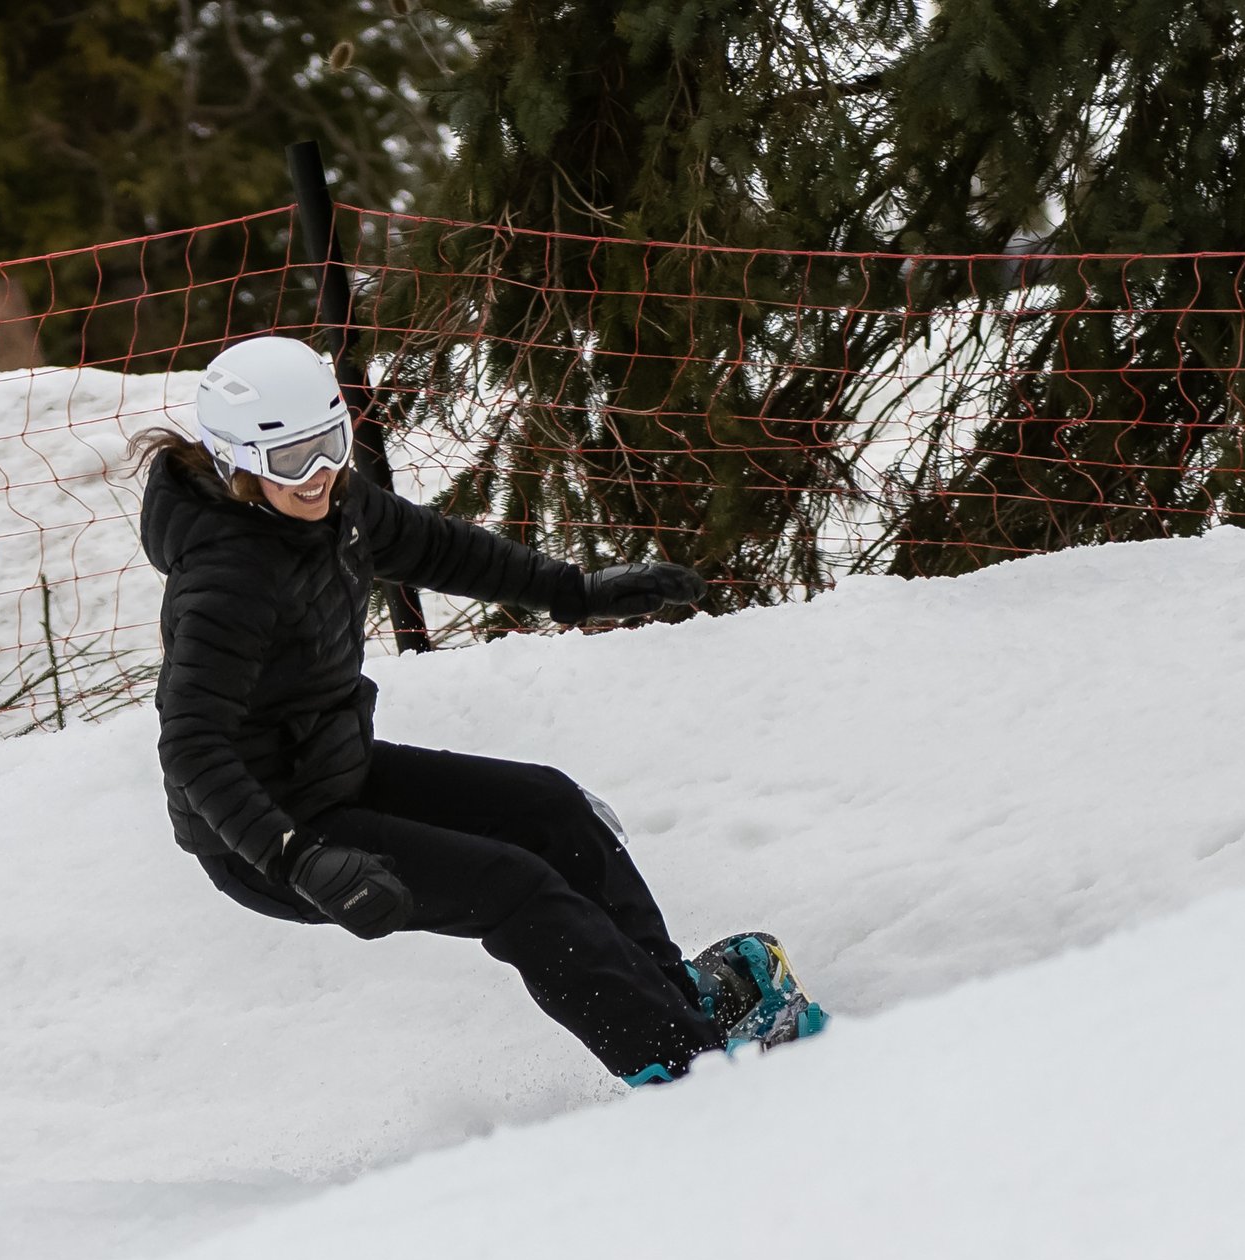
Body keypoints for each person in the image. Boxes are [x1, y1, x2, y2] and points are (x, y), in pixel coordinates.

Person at [136, 333, 824, 1086]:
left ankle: (676, 1000)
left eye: (329, 445)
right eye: (289, 460)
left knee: (554, 810)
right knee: (514, 889)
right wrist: (298, 856)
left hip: (333, 771)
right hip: (267, 837)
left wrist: (578, 593)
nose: (318, 476)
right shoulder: (227, 578)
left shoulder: (335, 505)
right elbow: (193, 745)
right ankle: (688, 1069)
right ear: (235, 462)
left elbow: (439, 548)